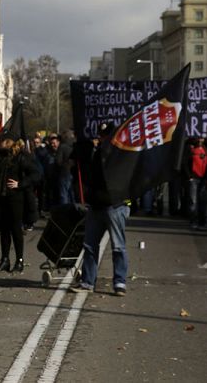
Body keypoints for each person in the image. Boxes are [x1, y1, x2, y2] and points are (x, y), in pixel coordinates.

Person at [70, 123, 129, 296]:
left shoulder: (121, 154)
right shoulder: (97, 154)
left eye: (105, 135)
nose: (101, 138)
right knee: (89, 245)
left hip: (114, 205)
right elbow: (91, 176)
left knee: (118, 246)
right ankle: (88, 282)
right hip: (96, 205)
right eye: (101, 135)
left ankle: (119, 282)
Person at [0, 134, 42, 273]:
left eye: (2, 142)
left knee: (16, 229)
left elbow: (36, 174)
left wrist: (21, 183)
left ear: (9, 142)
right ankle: (5, 259)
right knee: (4, 230)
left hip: (16, 198)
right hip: (1, 196)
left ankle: (19, 261)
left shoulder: (22, 156)